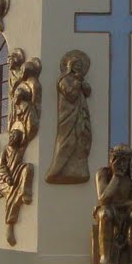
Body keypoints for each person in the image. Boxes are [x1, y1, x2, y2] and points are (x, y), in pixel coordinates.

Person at [93, 144, 132, 264]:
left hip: (128, 211)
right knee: (104, 213)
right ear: (112, 161)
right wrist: (116, 177)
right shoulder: (103, 173)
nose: (122, 165)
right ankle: (105, 258)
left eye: (125, 160)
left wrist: (117, 204)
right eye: (119, 160)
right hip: (110, 210)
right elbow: (103, 200)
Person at [46, 50, 93, 183]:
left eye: (81, 65)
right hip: (68, 117)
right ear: (70, 66)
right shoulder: (64, 80)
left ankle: (80, 171)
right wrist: (78, 81)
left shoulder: (79, 79)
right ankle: (57, 171)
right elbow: (71, 95)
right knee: (67, 141)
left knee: (83, 140)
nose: (79, 67)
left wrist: (82, 82)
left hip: (81, 115)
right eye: (76, 65)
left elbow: (88, 92)